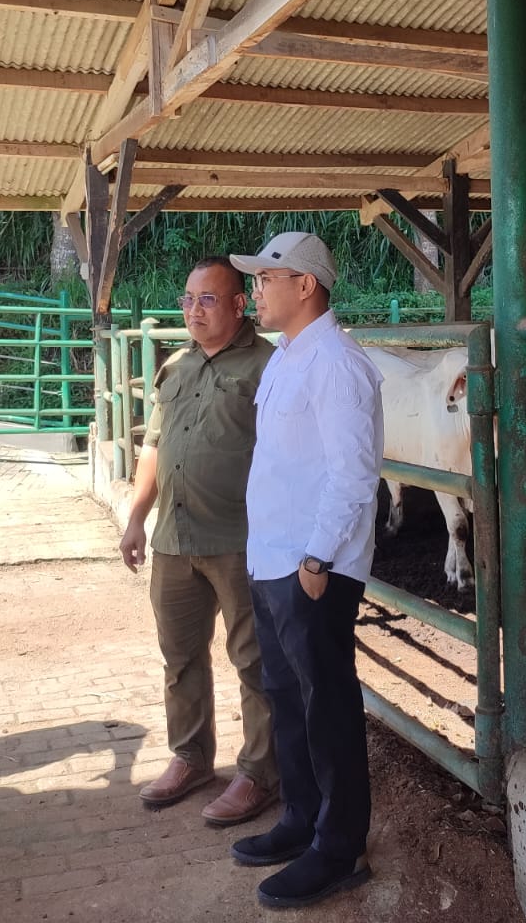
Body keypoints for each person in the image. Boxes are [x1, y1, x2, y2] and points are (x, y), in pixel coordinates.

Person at [227, 232, 383, 910]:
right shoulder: (287, 360)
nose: (255, 290)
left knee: (328, 709)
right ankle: (300, 818)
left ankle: (338, 846)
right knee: (288, 698)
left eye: (266, 278)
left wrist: (318, 558)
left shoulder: (338, 366)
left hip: (311, 566)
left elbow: (354, 474)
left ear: (305, 286)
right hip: (275, 559)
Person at [119, 257, 278, 826]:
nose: (193, 311)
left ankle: (261, 773)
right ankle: (190, 757)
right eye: (188, 299)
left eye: (208, 299)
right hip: (172, 538)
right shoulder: (176, 366)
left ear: (240, 304)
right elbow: (155, 447)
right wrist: (137, 515)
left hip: (240, 540)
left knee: (254, 661)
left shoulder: (269, 368)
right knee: (180, 658)